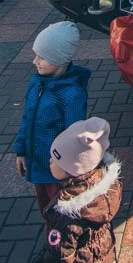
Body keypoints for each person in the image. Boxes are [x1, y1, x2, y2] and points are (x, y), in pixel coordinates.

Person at [13, 22, 90, 236]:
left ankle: (63, 245)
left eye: (42, 57)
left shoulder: (72, 94)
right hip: (38, 162)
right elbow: (27, 118)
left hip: (58, 170)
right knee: (46, 210)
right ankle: (53, 241)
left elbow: (74, 137)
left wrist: (67, 168)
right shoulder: (37, 82)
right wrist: (21, 150)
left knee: (63, 213)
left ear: (59, 60)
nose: (34, 61)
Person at [41, 117, 122, 263]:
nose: (50, 161)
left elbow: (61, 255)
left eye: (55, 160)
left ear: (70, 170)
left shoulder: (65, 215)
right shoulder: (103, 190)